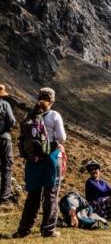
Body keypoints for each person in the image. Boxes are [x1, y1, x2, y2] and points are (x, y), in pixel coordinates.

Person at [13, 87, 66, 238]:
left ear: (38, 98)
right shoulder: (54, 115)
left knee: (33, 196)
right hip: (50, 158)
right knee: (50, 195)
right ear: (52, 101)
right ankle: (48, 230)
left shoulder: (30, 114)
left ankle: (23, 230)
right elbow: (62, 138)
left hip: (33, 159)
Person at [0, 84, 16, 204]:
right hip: (4, 138)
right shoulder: (5, 104)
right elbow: (12, 121)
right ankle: (4, 196)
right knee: (6, 166)